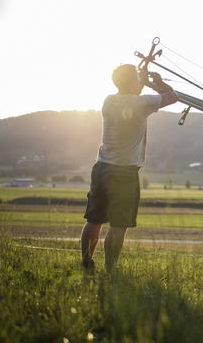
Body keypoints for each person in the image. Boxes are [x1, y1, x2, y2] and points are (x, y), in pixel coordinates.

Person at [80, 64, 178, 272]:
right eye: (137, 78)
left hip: (102, 168)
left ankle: (87, 263)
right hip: (124, 172)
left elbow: (133, 93)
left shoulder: (109, 101)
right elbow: (172, 97)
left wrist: (140, 80)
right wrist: (159, 83)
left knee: (94, 219)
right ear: (132, 82)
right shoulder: (142, 102)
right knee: (118, 225)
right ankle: (110, 269)